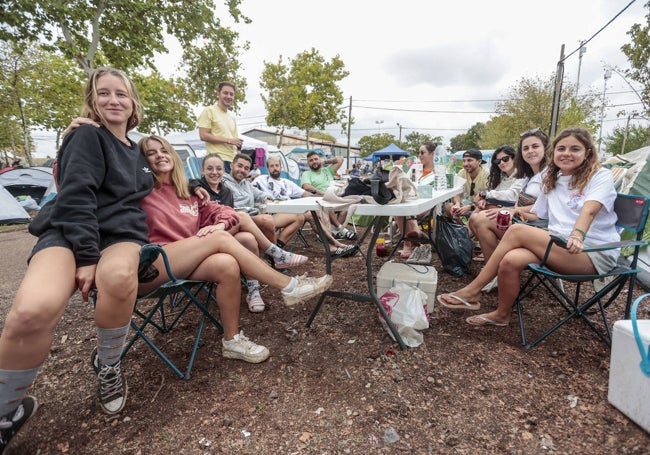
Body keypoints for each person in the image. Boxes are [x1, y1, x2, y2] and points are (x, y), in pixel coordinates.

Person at [0, 67, 153, 450]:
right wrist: (87, 257)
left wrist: (198, 193)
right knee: (30, 312)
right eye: (104, 93)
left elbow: (164, 185)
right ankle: (6, 411)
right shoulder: (86, 136)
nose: (113, 100)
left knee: (118, 277)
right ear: (92, 100)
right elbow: (76, 196)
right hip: (69, 232)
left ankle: (108, 364)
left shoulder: (139, 152)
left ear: (134, 102)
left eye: (121, 94)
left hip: (121, 235)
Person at [137, 135, 331, 360]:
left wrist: (218, 223)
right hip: (153, 264)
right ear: (142, 162)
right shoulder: (141, 191)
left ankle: (231, 341)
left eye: (164, 150)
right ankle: (289, 286)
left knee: (227, 265)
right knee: (219, 238)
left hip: (186, 261)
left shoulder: (189, 193)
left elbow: (228, 212)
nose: (160, 155)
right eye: (151, 153)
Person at [437, 128, 619, 328]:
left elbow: (589, 210)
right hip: (557, 245)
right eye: (561, 148)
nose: (567, 153)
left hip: (590, 251)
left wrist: (577, 234)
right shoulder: (554, 178)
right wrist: (511, 212)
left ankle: (473, 290)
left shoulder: (600, 175)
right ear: (554, 153)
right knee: (510, 260)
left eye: (575, 149)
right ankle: (501, 314)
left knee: (516, 231)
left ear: (588, 153)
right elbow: (536, 214)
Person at [194, 153, 309, 312]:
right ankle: (276, 254)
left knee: (249, 238)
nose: (215, 172)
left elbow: (228, 214)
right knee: (246, 217)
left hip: (229, 230)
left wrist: (267, 200)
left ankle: (253, 291)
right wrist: (195, 185)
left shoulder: (226, 191)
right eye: (210, 168)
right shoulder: (199, 188)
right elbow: (183, 184)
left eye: (218, 168)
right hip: (208, 236)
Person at [468, 130, 549, 287]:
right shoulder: (529, 176)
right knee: (478, 216)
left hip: (537, 228)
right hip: (524, 222)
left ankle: (491, 272)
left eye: (535, 146)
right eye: (526, 148)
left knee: (480, 219)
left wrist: (514, 210)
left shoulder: (549, 175)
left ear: (546, 148)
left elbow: (543, 207)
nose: (530, 151)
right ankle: (493, 271)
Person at [254, 156, 357, 258]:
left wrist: (326, 197)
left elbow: (305, 194)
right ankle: (336, 245)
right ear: (268, 169)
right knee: (306, 215)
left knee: (313, 214)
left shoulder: (286, 182)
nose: (275, 168)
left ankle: (332, 246)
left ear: (281, 167)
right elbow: (250, 189)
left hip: (289, 211)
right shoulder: (261, 180)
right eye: (272, 166)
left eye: (277, 165)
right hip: (273, 213)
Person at [222, 153, 305, 249]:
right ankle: (274, 254)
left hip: (255, 218)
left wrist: (267, 199)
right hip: (240, 220)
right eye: (239, 166)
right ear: (232, 165)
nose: (242, 170)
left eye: (246, 168)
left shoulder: (246, 184)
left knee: (299, 217)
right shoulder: (223, 182)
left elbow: (261, 194)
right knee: (267, 219)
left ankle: (278, 246)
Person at [300, 151, 357, 240]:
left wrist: (325, 162)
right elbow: (306, 186)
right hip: (319, 199)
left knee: (346, 208)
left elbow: (340, 159)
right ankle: (343, 230)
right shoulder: (306, 174)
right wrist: (322, 193)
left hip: (334, 197)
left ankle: (334, 232)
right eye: (311, 160)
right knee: (328, 205)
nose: (314, 161)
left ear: (320, 160)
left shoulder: (328, 170)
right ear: (308, 163)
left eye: (316, 159)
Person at [397, 141, 437, 259]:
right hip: (412, 200)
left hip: (428, 204)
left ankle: (408, 243)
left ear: (432, 154)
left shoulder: (437, 171)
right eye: (419, 152)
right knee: (399, 211)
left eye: (422, 152)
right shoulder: (415, 169)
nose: (419, 155)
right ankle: (414, 234)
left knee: (403, 211)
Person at [197, 81, 243, 173]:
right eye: (225, 93)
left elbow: (236, 141)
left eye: (231, 94)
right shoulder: (209, 111)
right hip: (217, 161)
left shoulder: (232, 116)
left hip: (232, 162)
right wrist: (229, 140)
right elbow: (203, 135)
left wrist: (239, 160)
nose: (228, 96)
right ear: (218, 94)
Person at [444, 149, 489, 222]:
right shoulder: (462, 172)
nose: (465, 164)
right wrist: (457, 204)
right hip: (470, 205)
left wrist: (469, 207)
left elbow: (489, 201)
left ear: (479, 161)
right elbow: (457, 193)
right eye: (464, 161)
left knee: (478, 214)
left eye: (469, 160)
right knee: (448, 206)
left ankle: (471, 229)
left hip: (482, 208)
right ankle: (463, 229)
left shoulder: (486, 174)